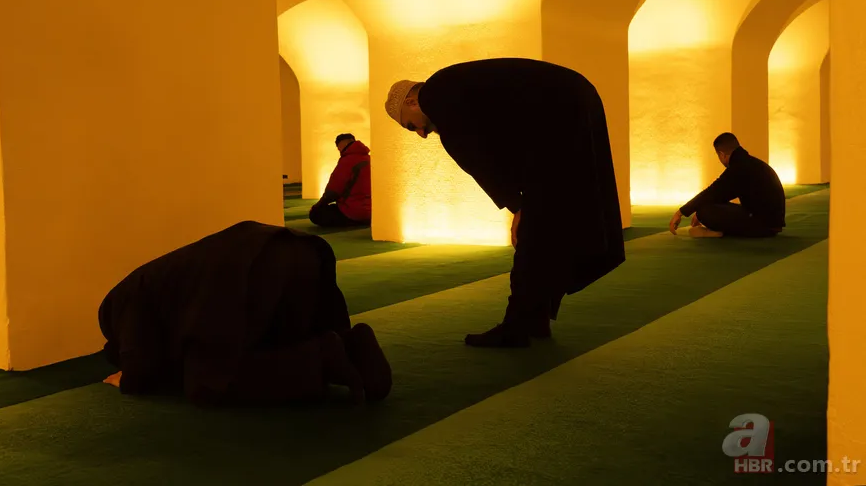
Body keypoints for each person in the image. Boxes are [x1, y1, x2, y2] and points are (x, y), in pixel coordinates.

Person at [384, 57, 625, 348]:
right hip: (575, 97)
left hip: (559, 109)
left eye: (412, 127)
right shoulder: (452, 88)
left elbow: (477, 158)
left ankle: (517, 327)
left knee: (535, 229)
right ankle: (534, 317)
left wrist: (518, 207)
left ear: (411, 101)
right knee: (553, 221)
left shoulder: (437, 97)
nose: (422, 135)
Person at [98, 221, 392, 405]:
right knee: (272, 342)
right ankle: (353, 344)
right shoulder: (150, 280)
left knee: (208, 383)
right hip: (299, 248)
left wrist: (126, 378)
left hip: (256, 268)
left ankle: (324, 358)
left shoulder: (124, 299)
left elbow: (141, 365)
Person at [668, 133, 785, 238]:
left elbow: (712, 192)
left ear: (722, 154)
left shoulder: (738, 168)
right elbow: (718, 194)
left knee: (704, 211)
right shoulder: (753, 163)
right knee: (708, 204)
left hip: (762, 225)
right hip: (771, 223)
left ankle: (719, 232)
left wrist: (681, 212)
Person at [309, 133, 372, 228]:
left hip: (352, 211)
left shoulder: (347, 161)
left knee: (316, 214)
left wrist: (318, 205)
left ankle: (354, 222)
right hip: (372, 212)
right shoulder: (369, 159)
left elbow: (333, 191)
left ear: (341, 145)